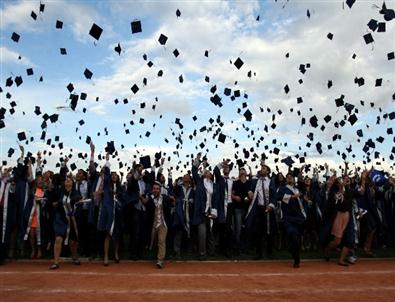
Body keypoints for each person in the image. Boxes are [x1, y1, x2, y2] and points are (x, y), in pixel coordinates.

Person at [97, 152, 124, 266]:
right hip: (108, 213)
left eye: (115, 175)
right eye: (112, 174)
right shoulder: (107, 185)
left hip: (116, 213)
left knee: (116, 235)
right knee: (108, 234)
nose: (113, 176)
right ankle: (106, 256)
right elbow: (106, 172)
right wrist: (108, 160)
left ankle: (116, 254)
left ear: (117, 178)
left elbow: (122, 200)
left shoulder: (120, 188)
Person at [50, 172, 81, 270]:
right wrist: (54, 202)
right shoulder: (60, 191)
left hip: (72, 219)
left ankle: (74, 256)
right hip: (61, 219)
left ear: (72, 183)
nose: (67, 180)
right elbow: (52, 196)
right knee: (58, 239)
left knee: (73, 242)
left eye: (69, 179)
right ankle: (56, 262)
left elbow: (77, 200)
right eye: (66, 180)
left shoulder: (75, 193)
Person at [276, 172, 306, 268]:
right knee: (292, 235)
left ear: (294, 179)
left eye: (291, 177)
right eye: (288, 177)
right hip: (288, 218)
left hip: (299, 218)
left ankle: (294, 252)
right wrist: (293, 197)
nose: (290, 178)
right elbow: (279, 197)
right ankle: (296, 259)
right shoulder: (283, 189)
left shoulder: (297, 189)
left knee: (297, 239)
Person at [191, 153, 216, 260]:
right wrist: (198, 160)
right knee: (202, 234)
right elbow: (193, 171)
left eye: (209, 172)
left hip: (211, 211)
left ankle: (212, 252)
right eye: (205, 172)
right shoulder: (200, 182)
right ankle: (202, 253)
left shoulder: (214, 185)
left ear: (211, 175)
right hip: (201, 212)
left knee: (211, 233)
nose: (207, 173)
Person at [146, 182, 175, 268]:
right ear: (152, 190)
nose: (155, 190)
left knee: (161, 240)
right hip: (153, 224)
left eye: (157, 189)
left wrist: (173, 199)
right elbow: (146, 208)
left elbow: (173, 203)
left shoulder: (165, 198)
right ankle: (156, 254)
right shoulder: (150, 200)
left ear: (160, 190)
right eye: (154, 188)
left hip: (163, 223)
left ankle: (160, 260)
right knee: (154, 241)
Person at [173, 173, 194, 258]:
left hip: (189, 212)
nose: (185, 177)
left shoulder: (192, 190)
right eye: (184, 176)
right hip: (180, 212)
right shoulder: (178, 188)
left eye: (187, 177)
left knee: (189, 231)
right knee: (179, 231)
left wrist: (192, 201)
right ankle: (176, 251)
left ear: (190, 179)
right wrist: (177, 201)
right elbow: (173, 195)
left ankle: (189, 249)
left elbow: (194, 199)